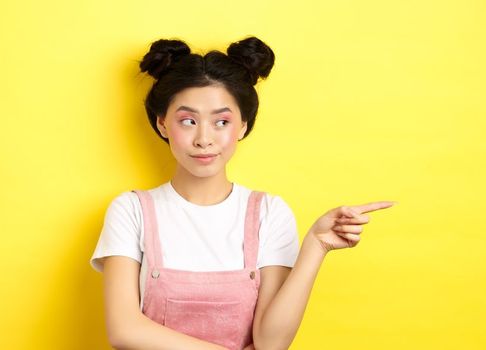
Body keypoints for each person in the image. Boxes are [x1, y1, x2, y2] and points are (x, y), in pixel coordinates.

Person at [89, 36, 395, 350]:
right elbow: (124, 330)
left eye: (221, 121)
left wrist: (315, 246)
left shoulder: (268, 212)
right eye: (188, 121)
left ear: (243, 127)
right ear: (163, 124)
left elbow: (271, 342)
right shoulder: (132, 210)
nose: (204, 139)